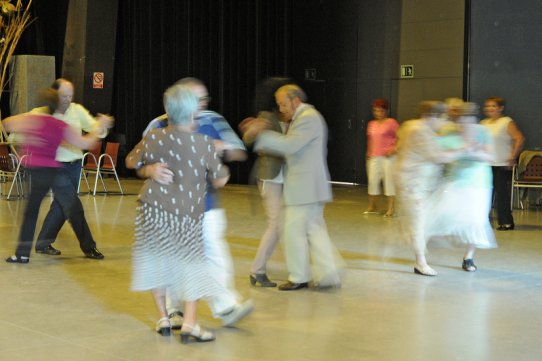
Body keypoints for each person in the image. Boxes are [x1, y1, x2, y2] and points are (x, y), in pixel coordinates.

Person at [142, 77, 253, 327]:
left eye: (205, 98)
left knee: (214, 253)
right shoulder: (158, 124)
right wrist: (152, 170)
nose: (202, 104)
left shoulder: (213, 120)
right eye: (196, 99)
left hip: (208, 205)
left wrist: (219, 148)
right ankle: (174, 310)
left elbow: (238, 151)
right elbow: (142, 159)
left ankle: (226, 307)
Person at [126, 83, 230, 343]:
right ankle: (191, 324)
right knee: (192, 265)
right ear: (193, 111)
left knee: (157, 261)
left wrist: (149, 170)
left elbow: (131, 161)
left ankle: (163, 317)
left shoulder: (154, 137)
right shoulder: (203, 143)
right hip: (185, 214)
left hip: (152, 211)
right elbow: (220, 180)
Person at [242, 84, 344, 291]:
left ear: (295, 101)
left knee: (293, 231)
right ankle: (329, 273)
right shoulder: (306, 117)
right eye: (279, 104)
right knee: (314, 230)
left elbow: (290, 146)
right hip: (308, 186)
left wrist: (261, 134)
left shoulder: (307, 117)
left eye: (283, 104)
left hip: (304, 187)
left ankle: (299, 277)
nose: (280, 108)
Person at [4, 89, 107, 263]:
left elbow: (7, 123)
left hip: (37, 173)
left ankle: (21, 254)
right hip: (54, 171)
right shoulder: (60, 126)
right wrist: (100, 125)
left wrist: (29, 137)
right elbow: (87, 143)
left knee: (31, 213)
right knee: (74, 209)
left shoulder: (32, 120)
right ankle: (89, 247)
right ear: (57, 106)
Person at [33, 79, 113, 259]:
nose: (68, 99)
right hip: (55, 167)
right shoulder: (43, 112)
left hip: (75, 165)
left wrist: (102, 125)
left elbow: (95, 129)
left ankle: (43, 243)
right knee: (73, 205)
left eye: (70, 95)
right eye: (64, 96)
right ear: (54, 94)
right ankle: (88, 246)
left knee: (61, 205)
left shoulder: (77, 110)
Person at [424, 102, 497, 272]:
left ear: (475, 121)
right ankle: (423, 250)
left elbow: (491, 156)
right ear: (457, 122)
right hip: (454, 182)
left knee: (476, 220)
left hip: (479, 183)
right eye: (463, 122)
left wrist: (476, 152)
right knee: (440, 214)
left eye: (470, 121)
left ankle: (468, 257)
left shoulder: (483, 132)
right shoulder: (449, 134)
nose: (466, 126)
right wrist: (458, 151)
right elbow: (437, 155)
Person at [395, 101, 465, 276]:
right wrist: (461, 151)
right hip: (413, 184)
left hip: (419, 183)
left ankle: (417, 248)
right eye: (443, 118)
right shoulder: (419, 130)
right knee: (418, 221)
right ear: (434, 116)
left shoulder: (413, 126)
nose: (444, 123)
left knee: (422, 221)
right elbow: (436, 156)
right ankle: (420, 262)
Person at [240, 77, 291, 287]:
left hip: (285, 177)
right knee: (276, 224)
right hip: (270, 176)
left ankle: (269, 269)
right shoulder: (266, 116)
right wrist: (251, 130)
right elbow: (248, 139)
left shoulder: (292, 116)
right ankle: (257, 270)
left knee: (282, 225)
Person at [480, 97, 525, 231]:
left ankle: (506, 222)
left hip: (502, 163)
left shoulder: (506, 122)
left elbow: (519, 138)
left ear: (500, 108)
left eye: (493, 106)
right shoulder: (483, 123)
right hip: (486, 164)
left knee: (501, 194)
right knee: (485, 193)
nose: (490, 109)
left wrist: (513, 156)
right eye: (487, 106)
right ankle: (483, 220)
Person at [364, 98, 399, 217]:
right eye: (376, 111)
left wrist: (394, 149)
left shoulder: (392, 122)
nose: (378, 113)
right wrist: (368, 152)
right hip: (374, 157)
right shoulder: (371, 124)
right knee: (373, 182)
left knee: (389, 182)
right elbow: (370, 139)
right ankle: (372, 207)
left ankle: (391, 209)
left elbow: (400, 138)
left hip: (388, 157)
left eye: (381, 111)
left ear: (386, 111)